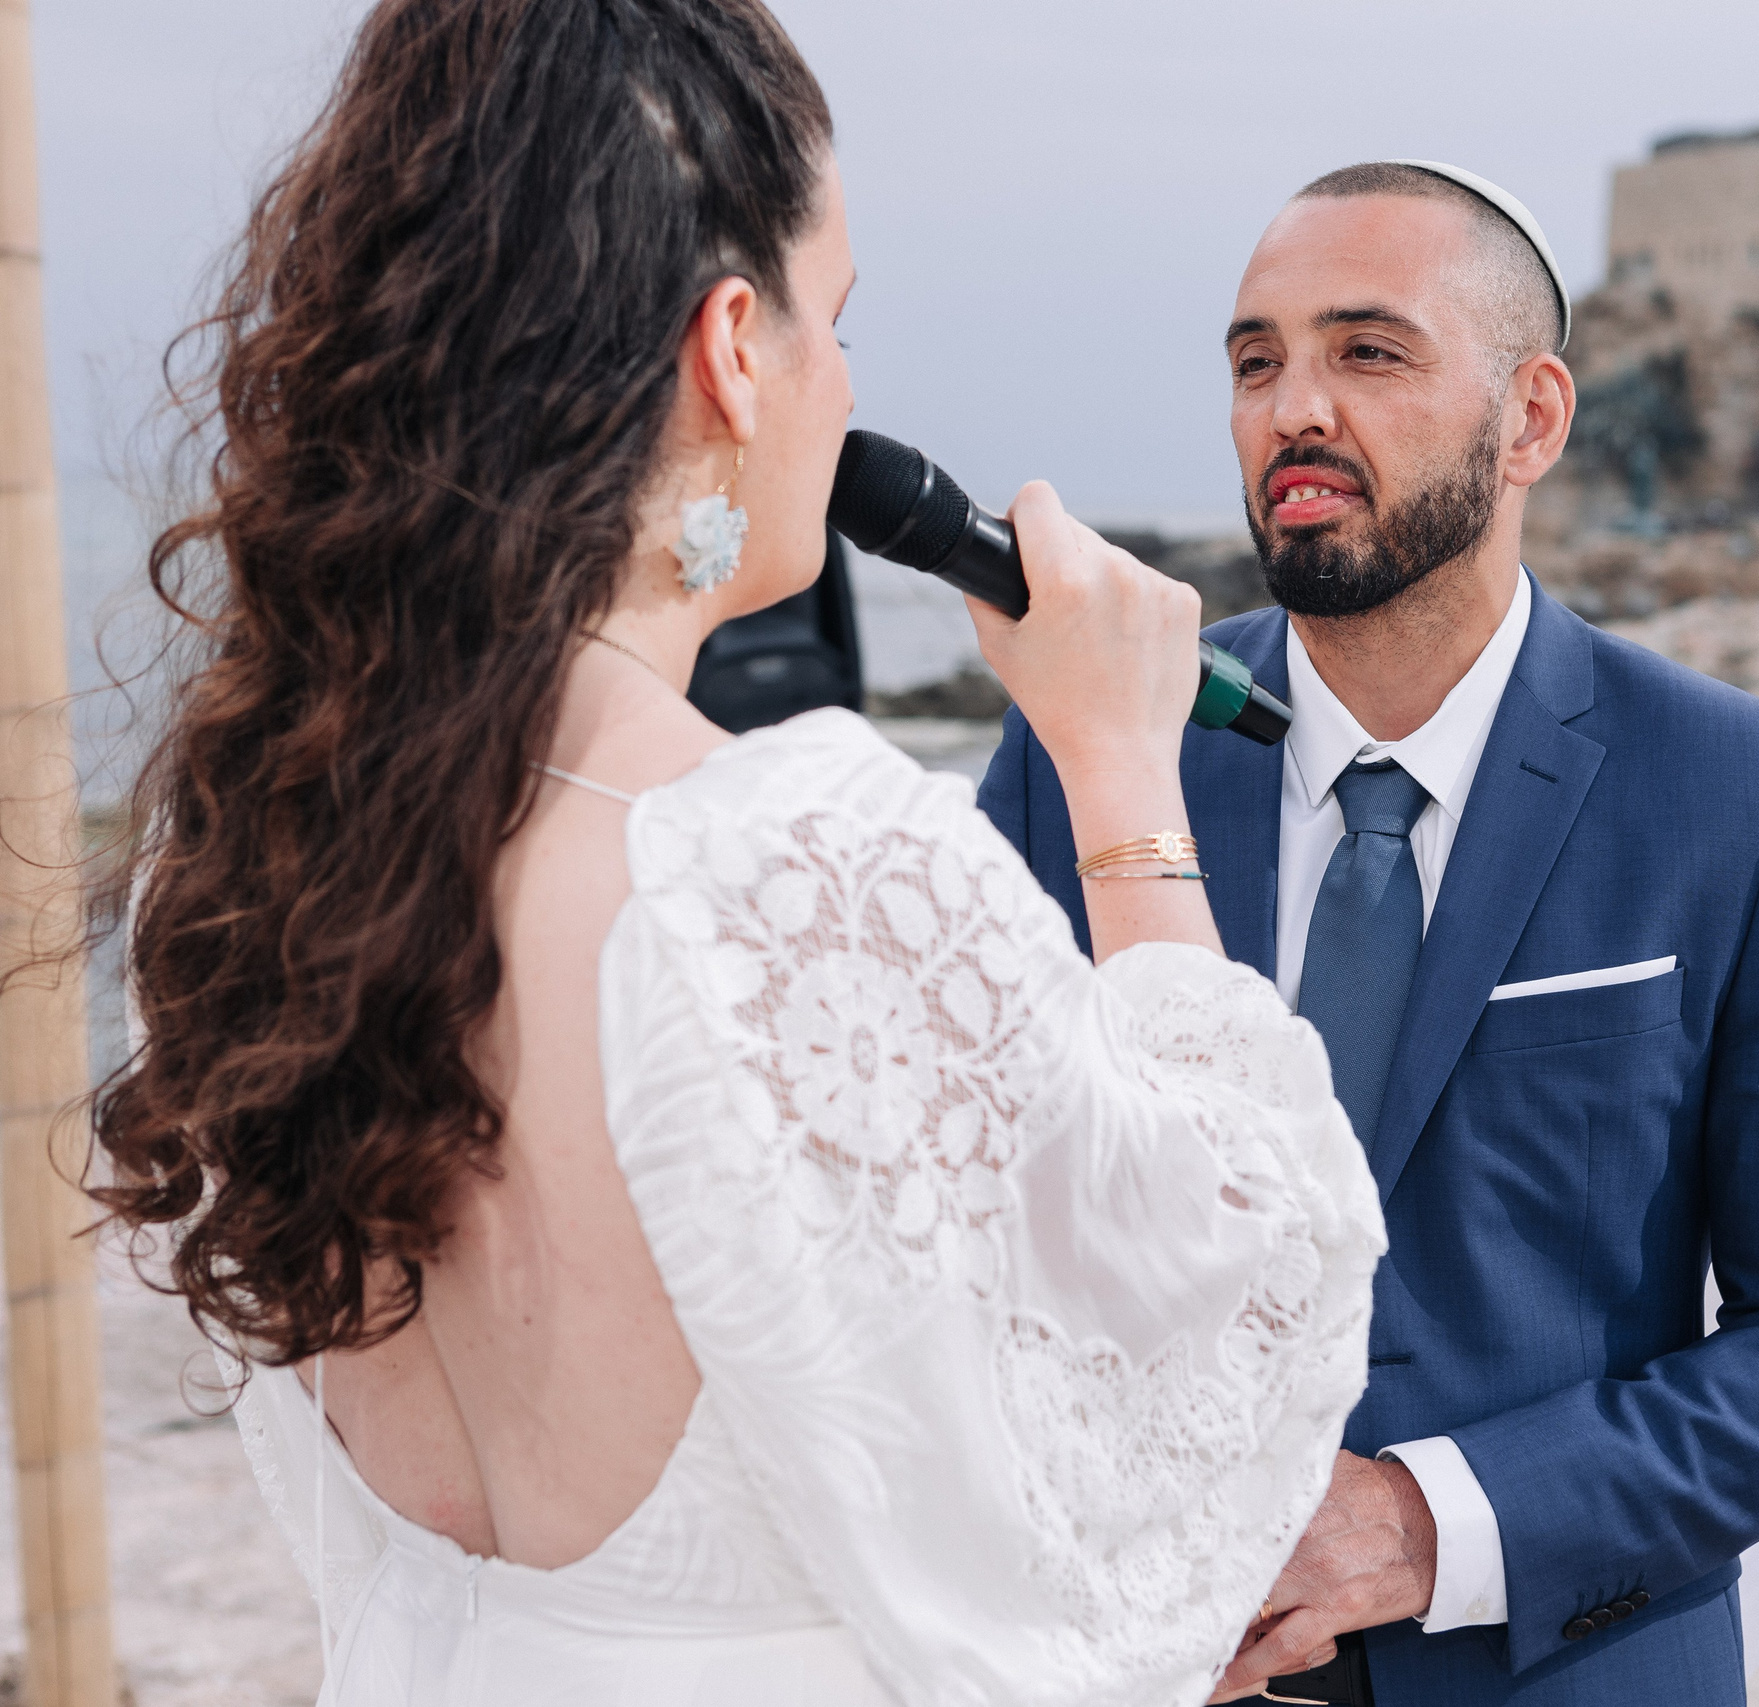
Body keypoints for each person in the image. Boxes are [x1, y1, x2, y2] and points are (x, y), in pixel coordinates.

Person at [86, 4, 1384, 1703]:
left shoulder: (262, 829)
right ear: (730, 347)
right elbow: (1217, 1325)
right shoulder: (789, 860)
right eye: (834, 319)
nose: (847, 386)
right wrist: (1122, 766)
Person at [979, 162, 1759, 1705]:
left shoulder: (1745, 793)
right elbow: (962, 1229)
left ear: (1535, 420)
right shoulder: (1080, 755)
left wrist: (1425, 1526)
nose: (1293, 407)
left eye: (1367, 351)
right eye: (1255, 361)